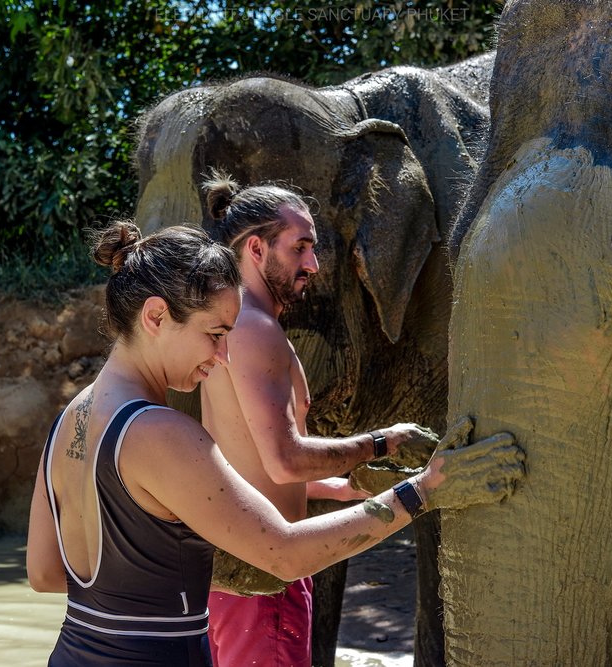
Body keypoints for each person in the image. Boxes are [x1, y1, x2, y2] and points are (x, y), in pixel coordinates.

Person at [26, 221, 526, 667]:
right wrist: (426, 490)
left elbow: (45, 572)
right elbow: (284, 556)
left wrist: (165, 583)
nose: (223, 356)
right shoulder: (160, 432)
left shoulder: (70, 419)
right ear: (156, 317)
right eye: (215, 333)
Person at [197, 173, 436, 667]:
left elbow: (251, 466)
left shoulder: (230, 328)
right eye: (300, 247)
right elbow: (284, 461)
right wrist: (383, 442)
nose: (314, 264)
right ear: (257, 250)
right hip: (266, 580)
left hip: (235, 572)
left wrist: (342, 490)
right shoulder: (257, 330)